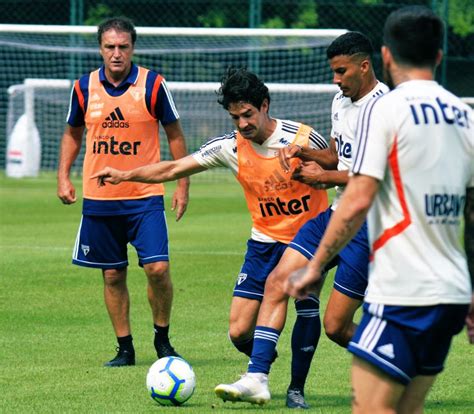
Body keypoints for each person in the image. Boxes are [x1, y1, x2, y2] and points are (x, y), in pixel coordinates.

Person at [91, 66, 329, 408]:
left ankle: (294, 389)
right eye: (235, 118)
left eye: (248, 114)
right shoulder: (229, 147)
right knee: (238, 331)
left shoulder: (303, 138)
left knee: (305, 304)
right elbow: (173, 168)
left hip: (308, 239)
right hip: (263, 242)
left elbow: (339, 170)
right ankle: (264, 356)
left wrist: (320, 176)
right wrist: (125, 174)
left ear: (265, 105)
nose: (243, 124)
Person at [286, 6, 474, 413]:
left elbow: (357, 196)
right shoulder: (465, 117)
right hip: (451, 292)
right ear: (439, 57)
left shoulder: (386, 110)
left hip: (404, 290)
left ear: (385, 57)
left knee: (371, 408)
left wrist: (315, 265)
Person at [213, 31, 388, 408]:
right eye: (333, 72)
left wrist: (322, 178)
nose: (335, 79)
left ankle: (395, 361)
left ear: (364, 65)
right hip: (336, 215)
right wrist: (305, 153)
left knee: (337, 327)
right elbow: (341, 158)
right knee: (279, 279)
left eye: (341, 71)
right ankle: (257, 377)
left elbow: (379, 175)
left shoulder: (386, 109)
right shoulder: (341, 102)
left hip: (370, 223)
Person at [57, 17, 190, 367]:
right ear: (100, 48)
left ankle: (162, 339)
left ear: (133, 47)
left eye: (123, 47)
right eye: (110, 47)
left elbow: (174, 133)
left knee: (158, 269)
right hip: (100, 199)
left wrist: (182, 183)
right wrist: (63, 177)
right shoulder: (84, 87)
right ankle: (125, 348)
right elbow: (72, 133)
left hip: (145, 198)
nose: (117, 53)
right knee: (113, 274)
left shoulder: (153, 85)